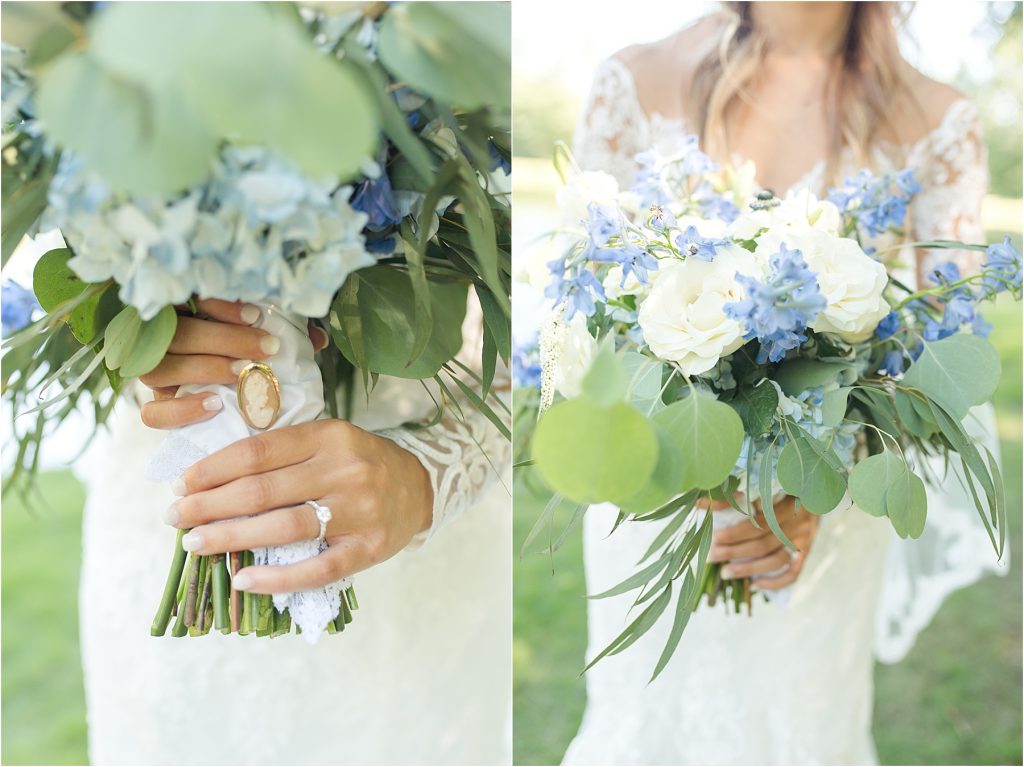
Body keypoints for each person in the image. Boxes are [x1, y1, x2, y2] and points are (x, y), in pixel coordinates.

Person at [562, 3, 1004, 764]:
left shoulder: (940, 120)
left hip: (825, 521)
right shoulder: (634, 83)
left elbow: (943, 366)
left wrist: (811, 484)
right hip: (659, 499)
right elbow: (580, 326)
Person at [76, 294, 511, 765]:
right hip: (159, 506)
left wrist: (426, 477)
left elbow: (530, 347)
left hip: (407, 535)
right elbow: (77, 307)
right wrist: (147, 343)